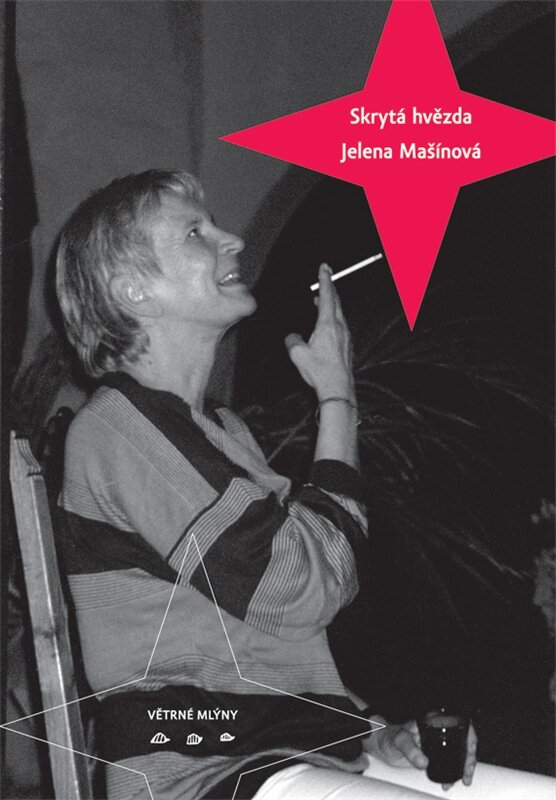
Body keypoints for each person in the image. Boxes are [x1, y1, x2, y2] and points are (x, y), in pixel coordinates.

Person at [55, 170, 552, 800]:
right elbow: (302, 587)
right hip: (197, 775)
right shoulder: (118, 428)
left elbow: (277, 634)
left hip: (284, 757)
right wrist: (337, 396)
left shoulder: (222, 433)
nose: (233, 240)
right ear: (134, 290)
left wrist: (373, 731)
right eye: (195, 233)